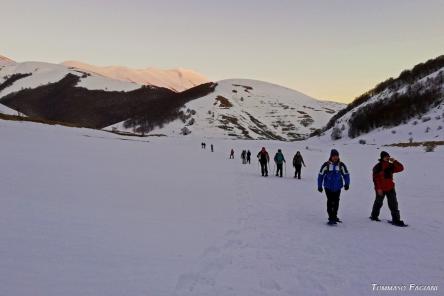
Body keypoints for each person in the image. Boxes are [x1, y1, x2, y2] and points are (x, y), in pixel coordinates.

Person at [370, 151, 406, 226]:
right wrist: (379, 189)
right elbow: (375, 179)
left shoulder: (391, 165)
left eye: (388, 156)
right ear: (382, 157)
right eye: (385, 156)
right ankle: (374, 216)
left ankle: (396, 220)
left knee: (393, 204)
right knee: (378, 203)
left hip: (390, 188)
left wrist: (395, 161)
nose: (387, 157)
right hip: (380, 189)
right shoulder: (377, 167)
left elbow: (401, 168)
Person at [317, 149, 350, 225]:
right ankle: (331, 218)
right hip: (328, 187)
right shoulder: (326, 165)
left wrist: (347, 184)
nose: (335, 157)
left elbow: (346, 174)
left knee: (336, 202)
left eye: (336, 156)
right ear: (331, 156)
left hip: (338, 187)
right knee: (330, 201)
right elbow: (320, 175)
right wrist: (319, 186)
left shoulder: (341, 165)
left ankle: (334, 216)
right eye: (334, 156)